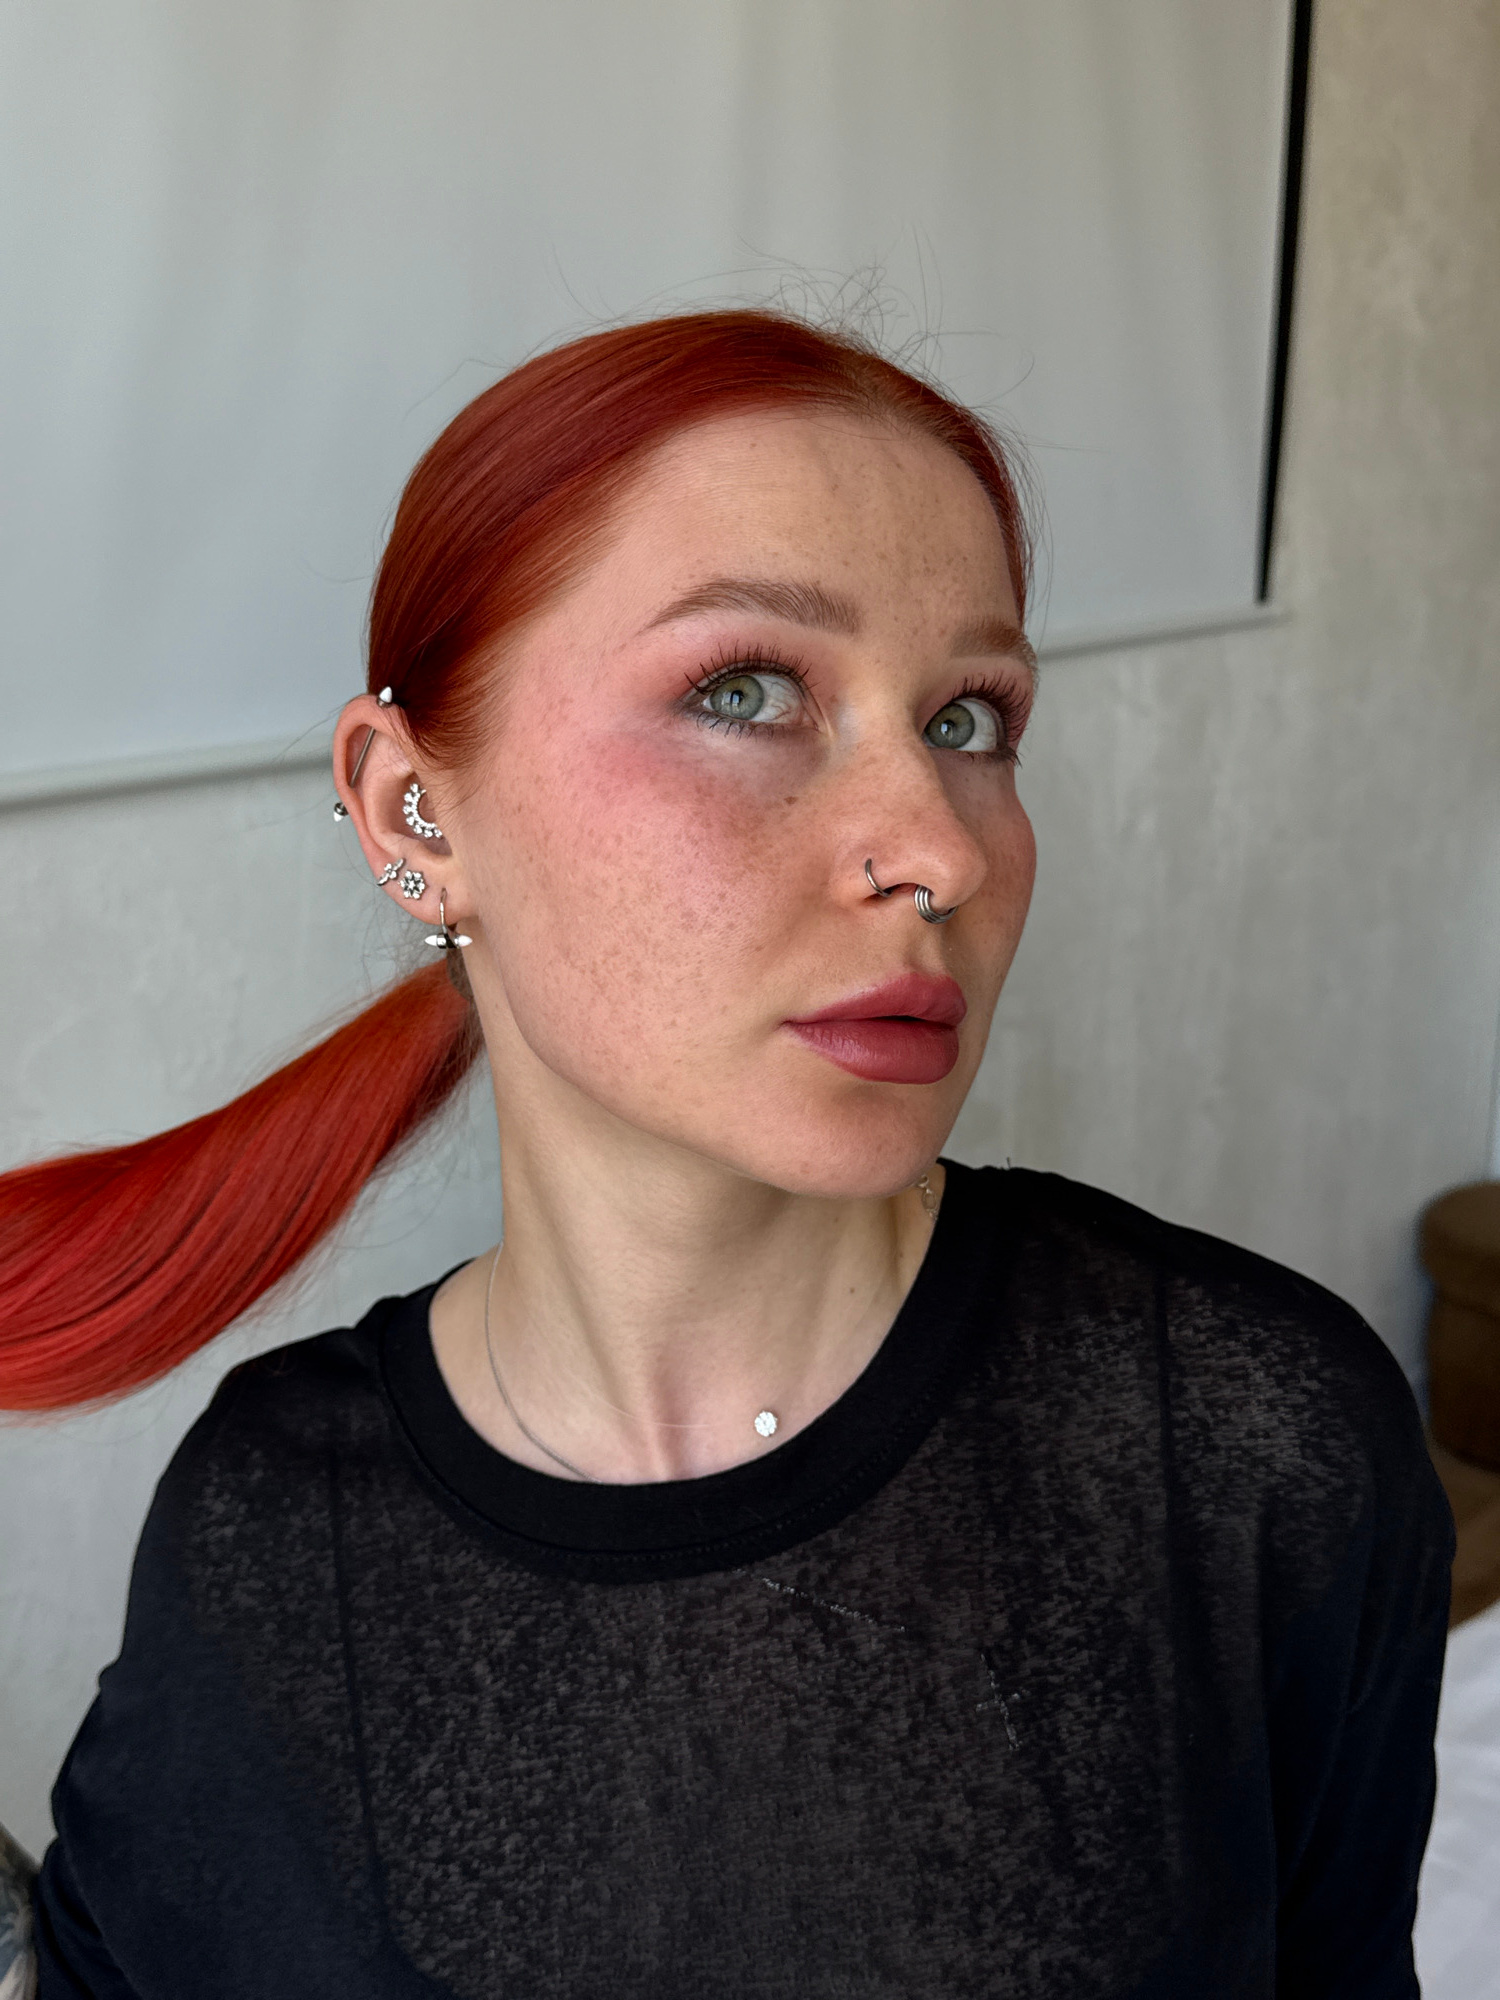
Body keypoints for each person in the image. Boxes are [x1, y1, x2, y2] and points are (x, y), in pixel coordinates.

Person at [1, 312, 1451, 1998]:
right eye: (744, 691)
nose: (935, 852)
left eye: (971, 719)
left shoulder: (1255, 1437)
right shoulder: (262, 1516)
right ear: (414, 815)